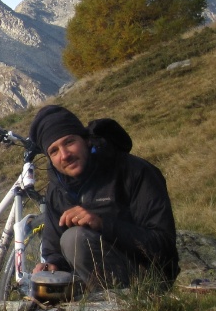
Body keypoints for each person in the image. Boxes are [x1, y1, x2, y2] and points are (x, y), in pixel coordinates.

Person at [28, 104, 179, 291]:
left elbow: (164, 247)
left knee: (74, 239)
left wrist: (102, 224)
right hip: (93, 279)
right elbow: (53, 251)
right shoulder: (57, 191)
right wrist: (52, 266)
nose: (64, 155)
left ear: (86, 140)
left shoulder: (134, 172)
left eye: (69, 142)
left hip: (149, 280)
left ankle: (121, 308)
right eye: (54, 151)